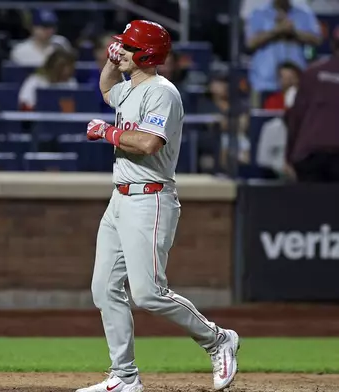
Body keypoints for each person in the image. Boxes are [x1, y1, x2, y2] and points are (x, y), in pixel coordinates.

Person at [79, 20, 240, 392]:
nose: (121, 50)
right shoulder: (131, 86)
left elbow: (150, 143)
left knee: (148, 292)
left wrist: (108, 132)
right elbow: (107, 91)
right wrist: (110, 61)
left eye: (128, 47)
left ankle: (218, 339)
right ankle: (124, 377)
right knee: (104, 289)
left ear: (147, 55)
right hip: (119, 200)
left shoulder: (162, 92)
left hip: (149, 199)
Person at [285, 25, 339, 182]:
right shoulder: (311, 74)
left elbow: (296, 117)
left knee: (311, 205)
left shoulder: (312, 73)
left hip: (310, 153)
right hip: (317, 152)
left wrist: (289, 156)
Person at [244, 0, 321, 107]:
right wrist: (276, 30)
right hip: (264, 83)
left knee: (296, 121)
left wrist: (294, 32)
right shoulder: (259, 13)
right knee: (262, 121)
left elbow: (317, 39)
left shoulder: (304, 13)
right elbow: (250, 42)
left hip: (295, 83)